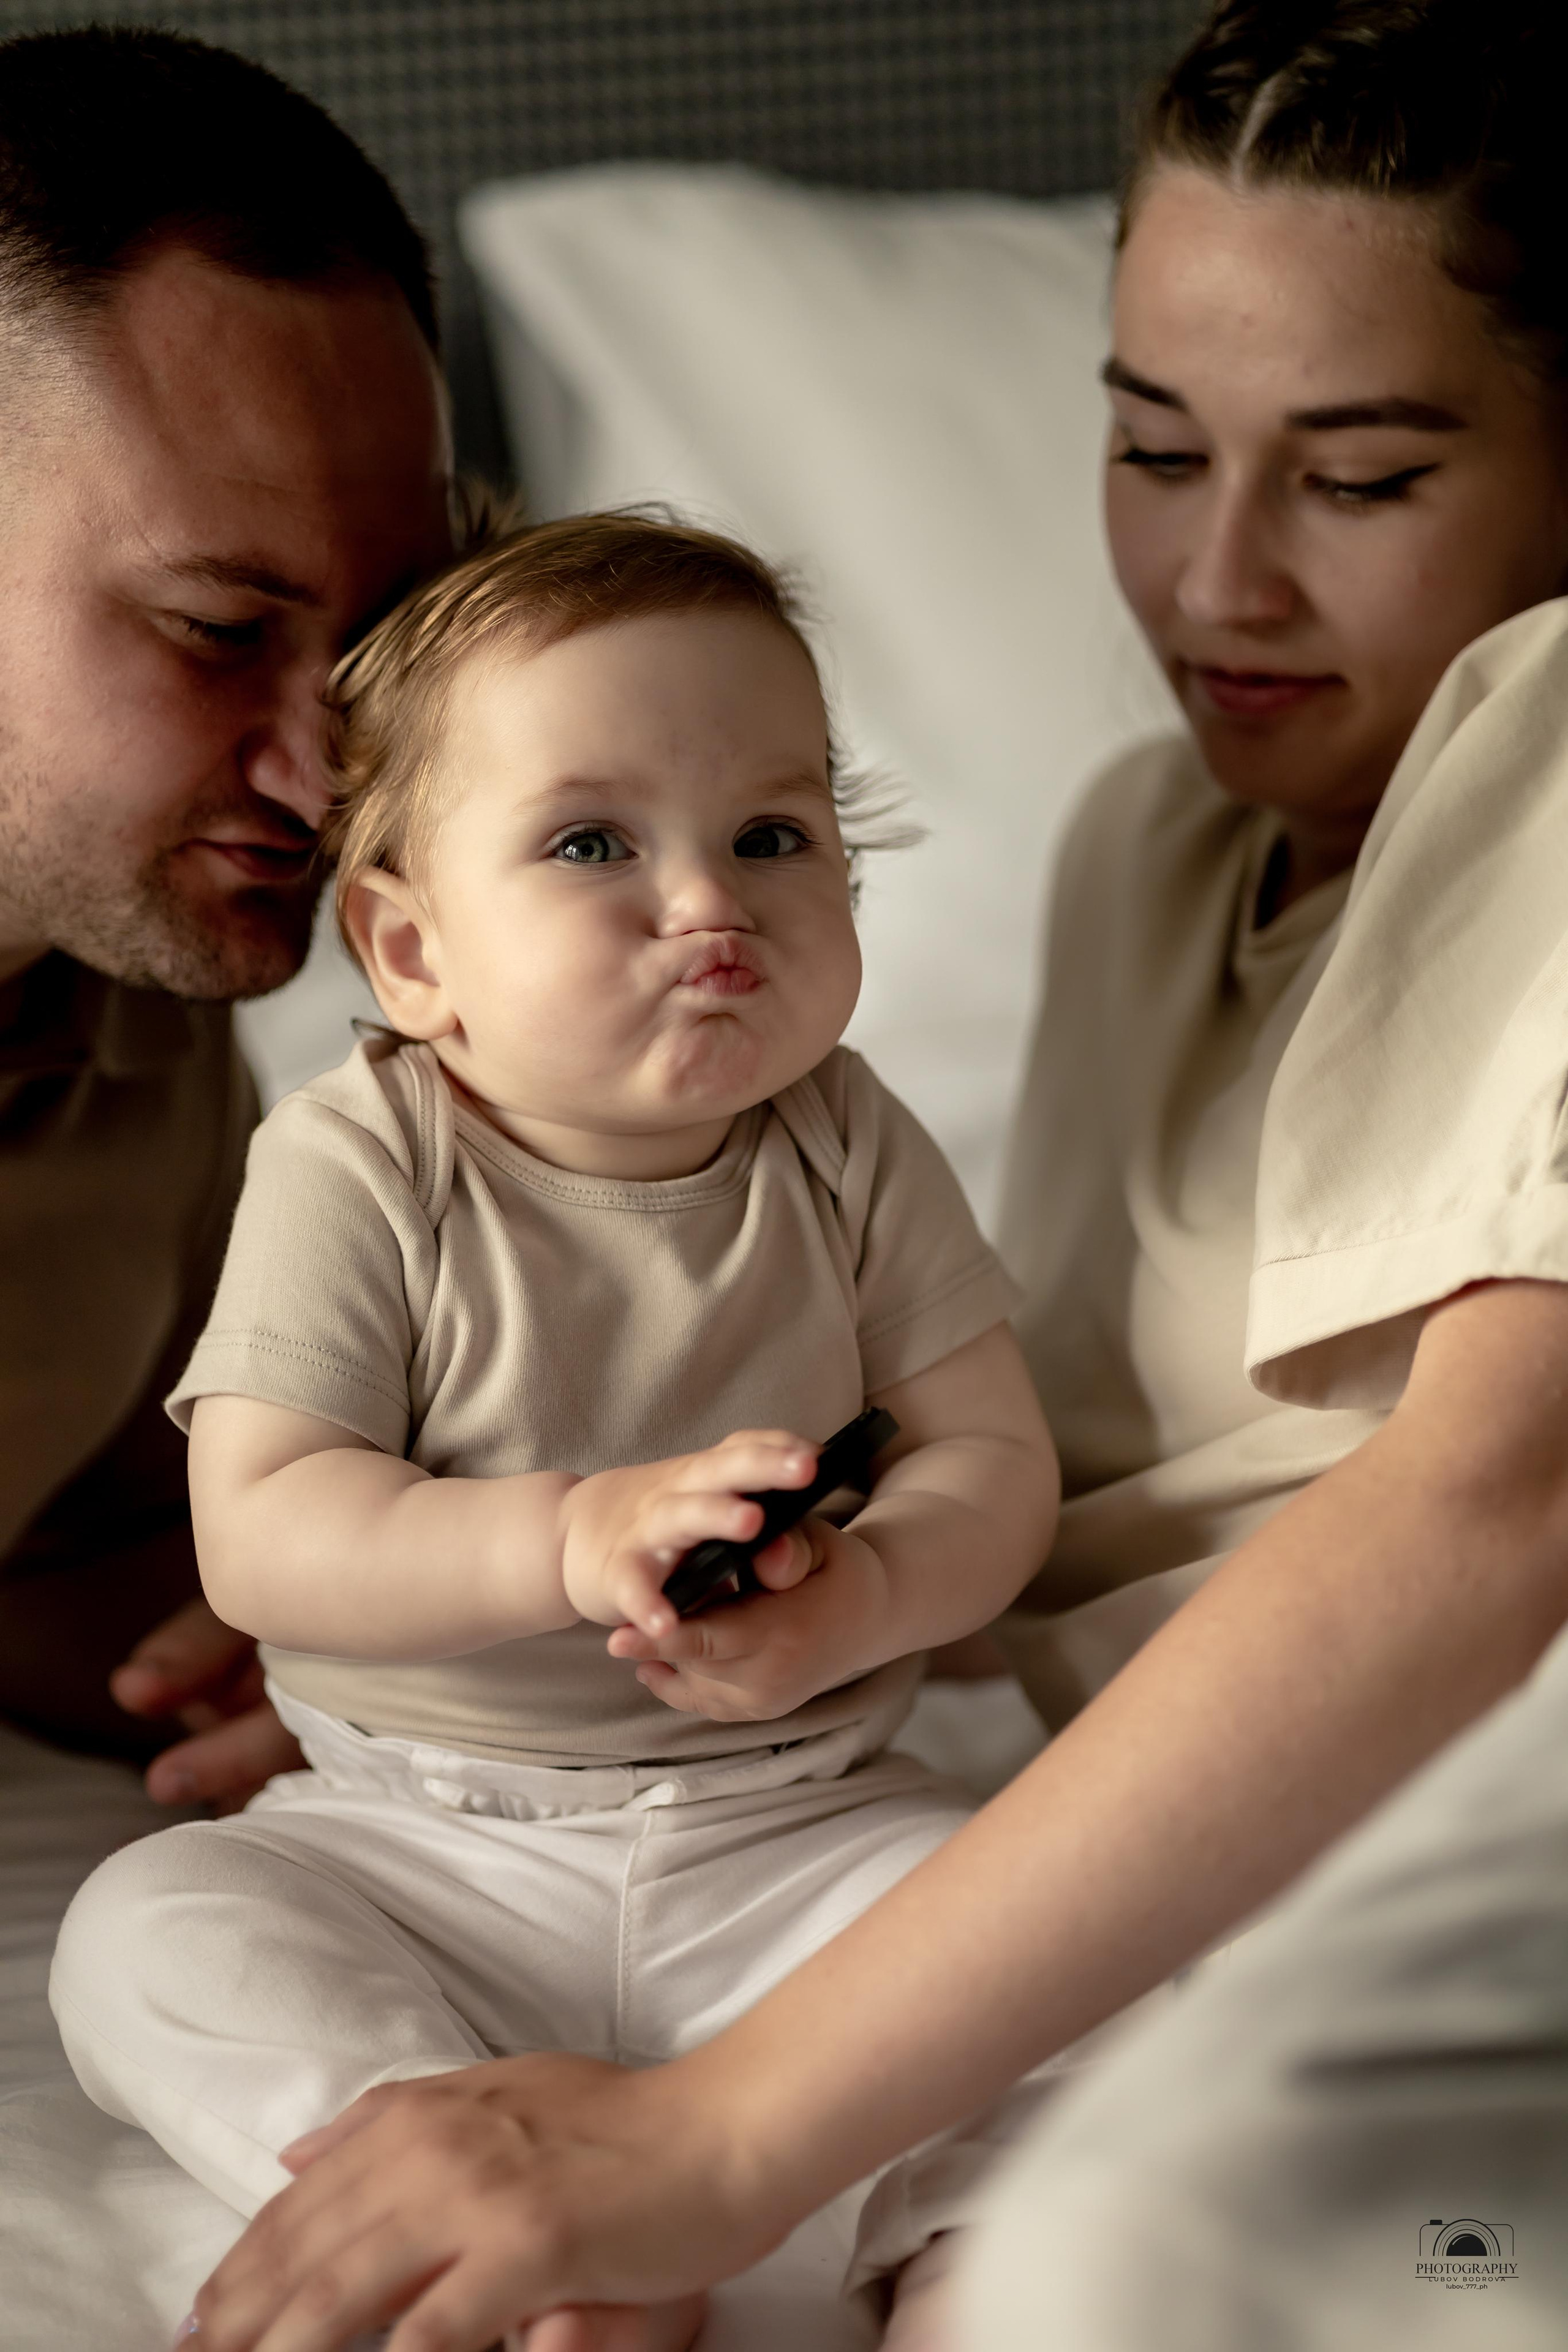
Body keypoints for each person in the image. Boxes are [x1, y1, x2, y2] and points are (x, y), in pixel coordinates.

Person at [176, 6, 1568, 2350]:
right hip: (1088, 1826)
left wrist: (716, 2143)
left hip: (1436, 1851)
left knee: (1155, 2285)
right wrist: (499, 1628)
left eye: (1359, 479)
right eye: (1153, 447)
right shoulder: (1152, 845)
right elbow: (979, 1438)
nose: (1217, 580)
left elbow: (1498, 1504)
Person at [48, 511, 1059, 2352]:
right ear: (412, 947)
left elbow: (991, 1465)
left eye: (775, 835)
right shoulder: (362, 1162)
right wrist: (568, 1537)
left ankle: (984, 2275)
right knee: (153, 1931)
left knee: (1067, 1948)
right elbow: (264, 1530)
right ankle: (456, 2185)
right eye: (596, 843)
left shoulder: (848, 1140)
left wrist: (869, 1594)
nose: (711, 902)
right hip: (425, 1847)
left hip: (802, 1832)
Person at [0, 28, 450, 1799]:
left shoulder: (148, 1019)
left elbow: (61, 1579)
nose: (334, 776)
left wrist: (384, 1659)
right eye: (215, 629)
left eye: (391, 638)